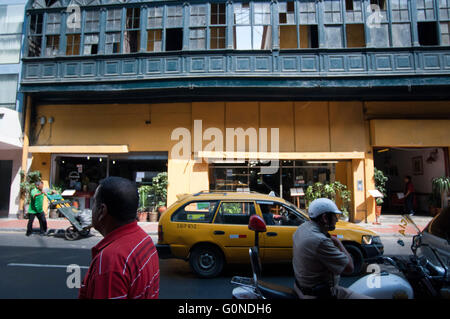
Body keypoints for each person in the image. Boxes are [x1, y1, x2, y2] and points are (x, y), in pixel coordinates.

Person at [79, 177, 159, 299]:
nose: (91, 209)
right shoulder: (144, 240)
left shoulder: (111, 260)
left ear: (102, 210)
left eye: (94, 203)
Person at [292, 198, 371, 299]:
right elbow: (349, 268)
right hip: (320, 294)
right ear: (325, 218)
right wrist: (338, 242)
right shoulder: (320, 241)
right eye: (334, 216)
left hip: (301, 288)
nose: (337, 220)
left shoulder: (302, 228)